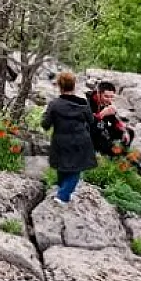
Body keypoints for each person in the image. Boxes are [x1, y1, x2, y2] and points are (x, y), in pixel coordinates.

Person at [41, 71, 97, 206]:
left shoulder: (54, 104)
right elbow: (91, 121)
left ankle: (62, 194)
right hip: (81, 141)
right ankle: (63, 195)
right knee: (75, 169)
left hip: (61, 141)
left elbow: (46, 125)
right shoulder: (83, 103)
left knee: (62, 167)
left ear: (59, 86)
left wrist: (45, 116)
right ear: (74, 85)